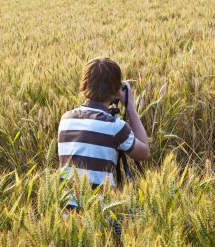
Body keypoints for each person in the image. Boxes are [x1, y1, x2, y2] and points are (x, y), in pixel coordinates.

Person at [57, 57, 150, 209]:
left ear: (84, 85)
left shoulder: (65, 119)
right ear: (116, 91)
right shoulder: (115, 126)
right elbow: (144, 152)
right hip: (100, 217)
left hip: (66, 216)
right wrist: (130, 106)